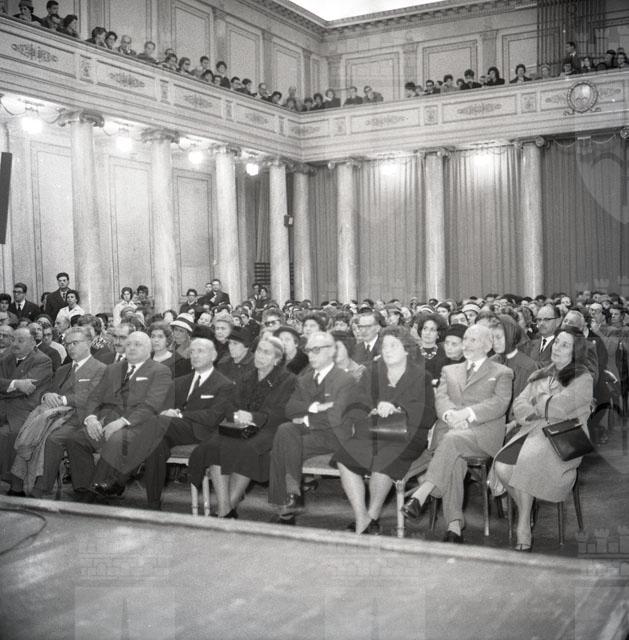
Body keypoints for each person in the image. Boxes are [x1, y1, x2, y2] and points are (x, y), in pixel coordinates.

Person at [402, 325, 513, 543]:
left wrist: (466, 414)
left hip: (482, 435)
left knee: (451, 441)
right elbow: (441, 399)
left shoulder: (502, 372)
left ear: (488, 345)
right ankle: (454, 527)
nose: (466, 344)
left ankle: (422, 493)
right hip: (451, 430)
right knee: (454, 457)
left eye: (473, 340)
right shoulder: (450, 370)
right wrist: (450, 415)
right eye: (465, 339)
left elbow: (499, 404)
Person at [492, 327, 593, 551]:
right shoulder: (541, 374)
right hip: (531, 433)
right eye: (557, 342)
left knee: (524, 463)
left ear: (575, 351)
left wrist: (538, 401)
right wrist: (539, 406)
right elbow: (519, 404)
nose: (557, 347)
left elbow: (561, 406)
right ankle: (527, 511)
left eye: (565, 345)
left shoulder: (583, 377)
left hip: (563, 441)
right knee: (502, 466)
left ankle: (523, 526)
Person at [334, 326, 436, 534]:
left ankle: (372, 516)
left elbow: (427, 414)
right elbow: (356, 402)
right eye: (384, 346)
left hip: (407, 434)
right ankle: (362, 517)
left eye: (393, 346)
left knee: (386, 457)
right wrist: (371, 408)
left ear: (406, 349)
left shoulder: (420, 376)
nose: (387, 350)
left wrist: (399, 408)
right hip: (374, 430)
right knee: (345, 456)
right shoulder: (372, 372)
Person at [188, 336, 296, 517]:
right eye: (259, 350)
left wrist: (253, 417)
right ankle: (225, 509)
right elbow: (230, 403)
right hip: (239, 425)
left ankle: (225, 509)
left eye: (267, 353)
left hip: (268, 428)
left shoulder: (288, 380)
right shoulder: (246, 377)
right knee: (214, 445)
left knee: (245, 448)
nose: (260, 356)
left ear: (277, 359)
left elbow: (284, 411)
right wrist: (237, 415)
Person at [64, 332, 172, 501]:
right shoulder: (113, 369)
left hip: (138, 425)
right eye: (129, 344)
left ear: (149, 348)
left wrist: (121, 422)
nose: (132, 348)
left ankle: (95, 492)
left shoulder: (160, 371)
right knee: (75, 439)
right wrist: (91, 419)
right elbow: (94, 397)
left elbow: (151, 405)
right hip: (106, 421)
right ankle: (84, 489)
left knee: (116, 440)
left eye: (138, 344)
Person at [268, 331, 356, 524]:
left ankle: (286, 506)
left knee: (281, 444)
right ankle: (291, 497)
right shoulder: (305, 379)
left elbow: (335, 417)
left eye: (316, 350)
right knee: (285, 429)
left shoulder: (344, 380)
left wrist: (305, 418)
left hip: (334, 436)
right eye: (308, 350)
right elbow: (290, 409)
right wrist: (314, 407)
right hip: (310, 432)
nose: (311, 355)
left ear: (331, 351)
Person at [142, 327, 236, 509]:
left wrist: (179, 414)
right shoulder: (180, 382)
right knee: (156, 445)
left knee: (156, 423)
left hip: (202, 432)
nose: (195, 355)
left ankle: (120, 474)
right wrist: (168, 412)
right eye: (192, 351)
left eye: (201, 351)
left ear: (213, 356)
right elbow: (163, 407)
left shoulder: (224, 384)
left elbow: (213, 417)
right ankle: (153, 504)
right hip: (172, 431)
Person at [9, 326, 106, 497]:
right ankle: (21, 484)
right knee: (32, 433)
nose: (70, 347)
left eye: (75, 343)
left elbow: (91, 397)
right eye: (67, 344)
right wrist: (47, 395)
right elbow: (49, 391)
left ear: (89, 343)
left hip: (81, 417)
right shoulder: (63, 369)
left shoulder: (101, 368)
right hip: (55, 416)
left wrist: (62, 399)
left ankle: (40, 488)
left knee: (51, 439)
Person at [0, 327, 53, 481]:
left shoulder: (43, 360)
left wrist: (8, 386)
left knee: (8, 434)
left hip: (24, 409)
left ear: (33, 342)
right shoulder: (6, 357)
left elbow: (27, 389)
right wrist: (16, 384)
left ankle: (12, 479)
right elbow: (19, 387)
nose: (15, 344)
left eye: (20, 341)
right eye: (13, 340)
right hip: (3, 405)